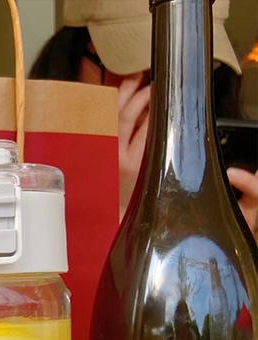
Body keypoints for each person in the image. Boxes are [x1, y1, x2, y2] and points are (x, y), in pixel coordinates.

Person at [30, 0, 258, 231]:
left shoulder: (227, 177)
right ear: (70, 57)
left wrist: (235, 246)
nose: (168, 97)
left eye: (191, 70)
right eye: (143, 73)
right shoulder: (28, 179)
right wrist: (118, 210)